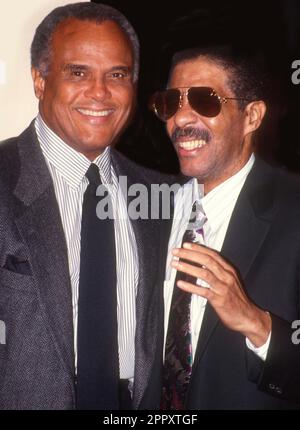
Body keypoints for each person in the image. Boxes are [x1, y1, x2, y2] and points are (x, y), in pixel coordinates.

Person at [0, 2, 171, 410]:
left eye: (118, 75)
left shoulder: (165, 196)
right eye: (78, 72)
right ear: (40, 81)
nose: (100, 92)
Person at [145, 45, 300, 409]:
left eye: (204, 99)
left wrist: (257, 324)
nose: (181, 119)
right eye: (171, 102)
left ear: (252, 117)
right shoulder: (145, 209)